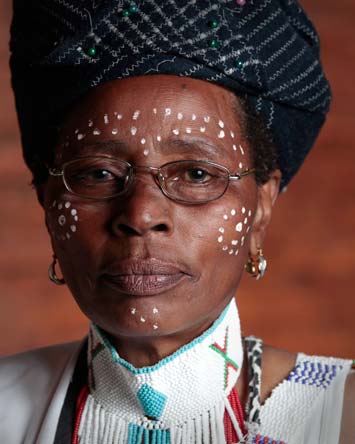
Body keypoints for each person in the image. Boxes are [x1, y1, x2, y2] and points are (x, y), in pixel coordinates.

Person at [1, 0, 354, 443]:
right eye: (97, 174)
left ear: (261, 206)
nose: (142, 215)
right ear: (48, 204)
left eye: (196, 174)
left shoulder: (342, 414)